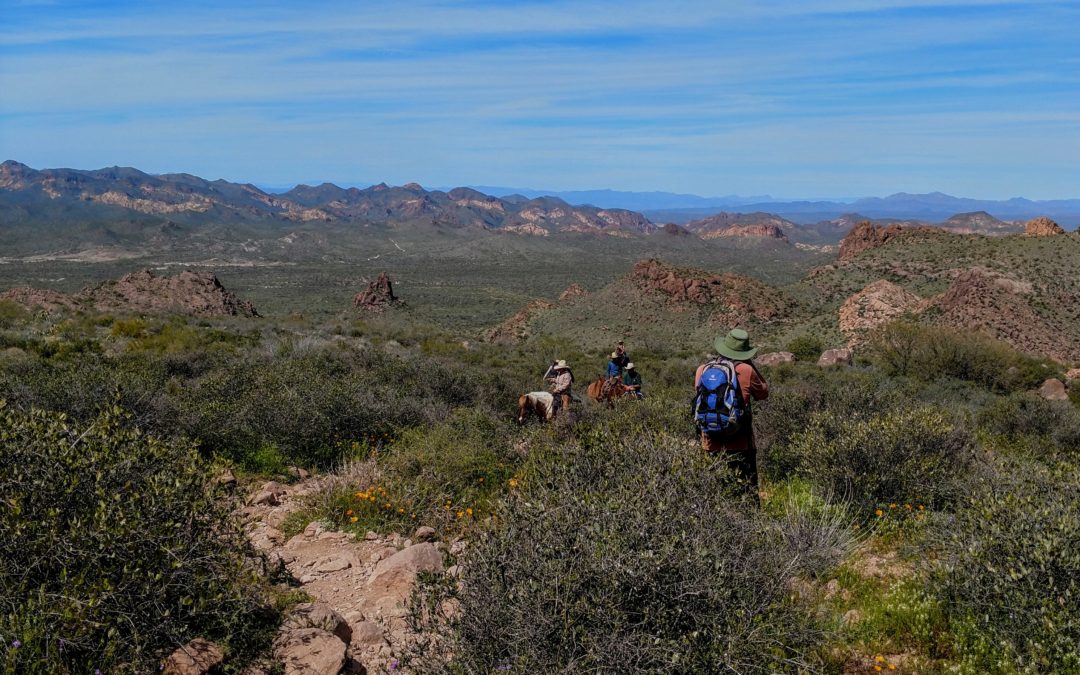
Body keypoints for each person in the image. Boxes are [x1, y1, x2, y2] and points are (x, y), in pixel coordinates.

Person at [694, 329, 769, 501]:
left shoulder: (702, 370)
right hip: (741, 443)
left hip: (710, 443)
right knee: (747, 495)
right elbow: (764, 393)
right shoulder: (747, 370)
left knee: (715, 496)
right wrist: (751, 365)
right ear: (744, 352)